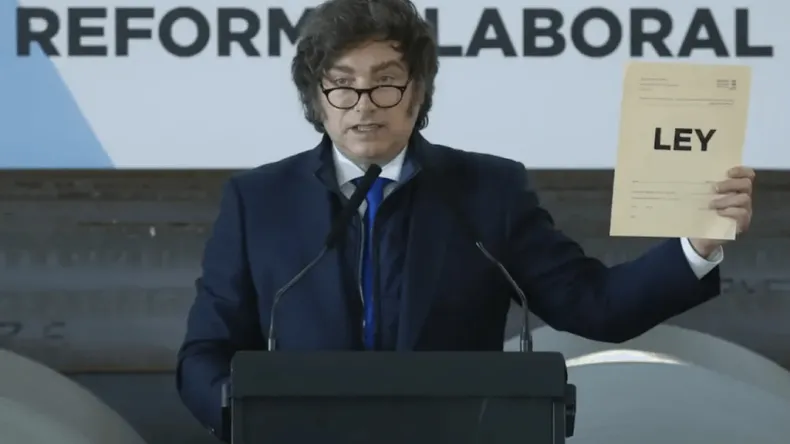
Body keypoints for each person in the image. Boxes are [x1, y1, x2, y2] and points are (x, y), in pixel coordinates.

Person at [176, 0, 756, 440]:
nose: (364, 105)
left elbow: (594, 305)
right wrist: (246, 417)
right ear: (316, 97)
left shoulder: (487, 190)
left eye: (385, 83)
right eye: (343, 85)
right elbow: (205, 353)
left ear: (418, 92)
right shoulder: (259, 201)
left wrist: (697, 246)